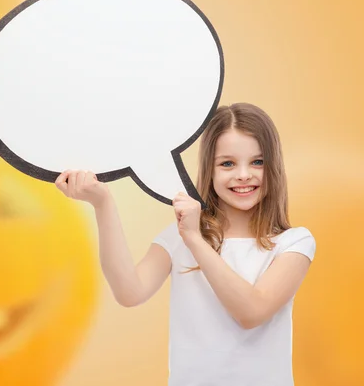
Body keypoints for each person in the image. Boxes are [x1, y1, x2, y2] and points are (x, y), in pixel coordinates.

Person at [55, 102, 315, 386]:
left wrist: (194, 238)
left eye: (257, 162)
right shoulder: (177, 236)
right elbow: (129, 292)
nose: (243, 174)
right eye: (227, 163)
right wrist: (102, 203)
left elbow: (251, 312)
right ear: (209, 169)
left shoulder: (293, 243)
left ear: (273, 166)